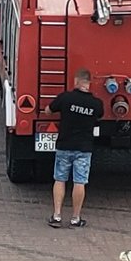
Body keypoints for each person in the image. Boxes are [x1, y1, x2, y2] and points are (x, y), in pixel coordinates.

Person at [47, 69, 102, 227]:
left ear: (76, 81)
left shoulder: (66, 98)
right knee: (80, 182)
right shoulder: (95, 104)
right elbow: (99, 116)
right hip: (84, 149)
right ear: (89, 83)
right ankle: (75, 218)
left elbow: (49, 110)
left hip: (64, 146)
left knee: (60, 179)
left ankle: (57, 215)